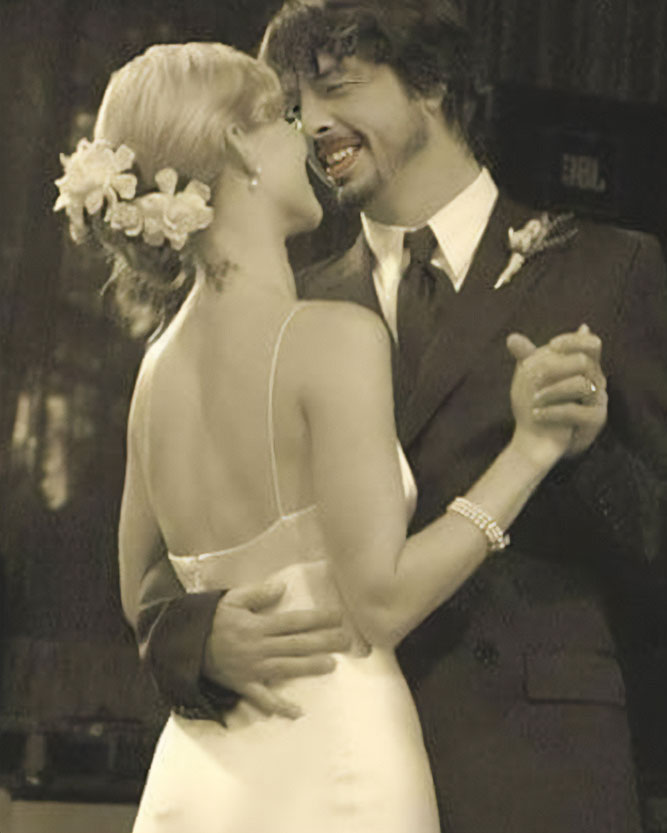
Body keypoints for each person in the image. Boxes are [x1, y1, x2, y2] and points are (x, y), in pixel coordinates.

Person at [122, 0, 667, 833]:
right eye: (292, 104)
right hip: (325, 758)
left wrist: (585, 457)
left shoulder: (608, 269)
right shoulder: (294, 307)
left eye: (335, 88)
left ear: (429, 84)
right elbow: (172, 557)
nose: (314, 124)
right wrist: (198, 640)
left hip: (537, 771)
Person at [54, 42, 607, 831]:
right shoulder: (332, 338)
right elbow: (380, 603)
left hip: (201, 774)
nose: (304, 136)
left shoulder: (153, 374)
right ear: (240, 145)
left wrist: (207, 639)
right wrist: (530, 451)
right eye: (283, 117)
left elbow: (137, 588)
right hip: (338, 760)